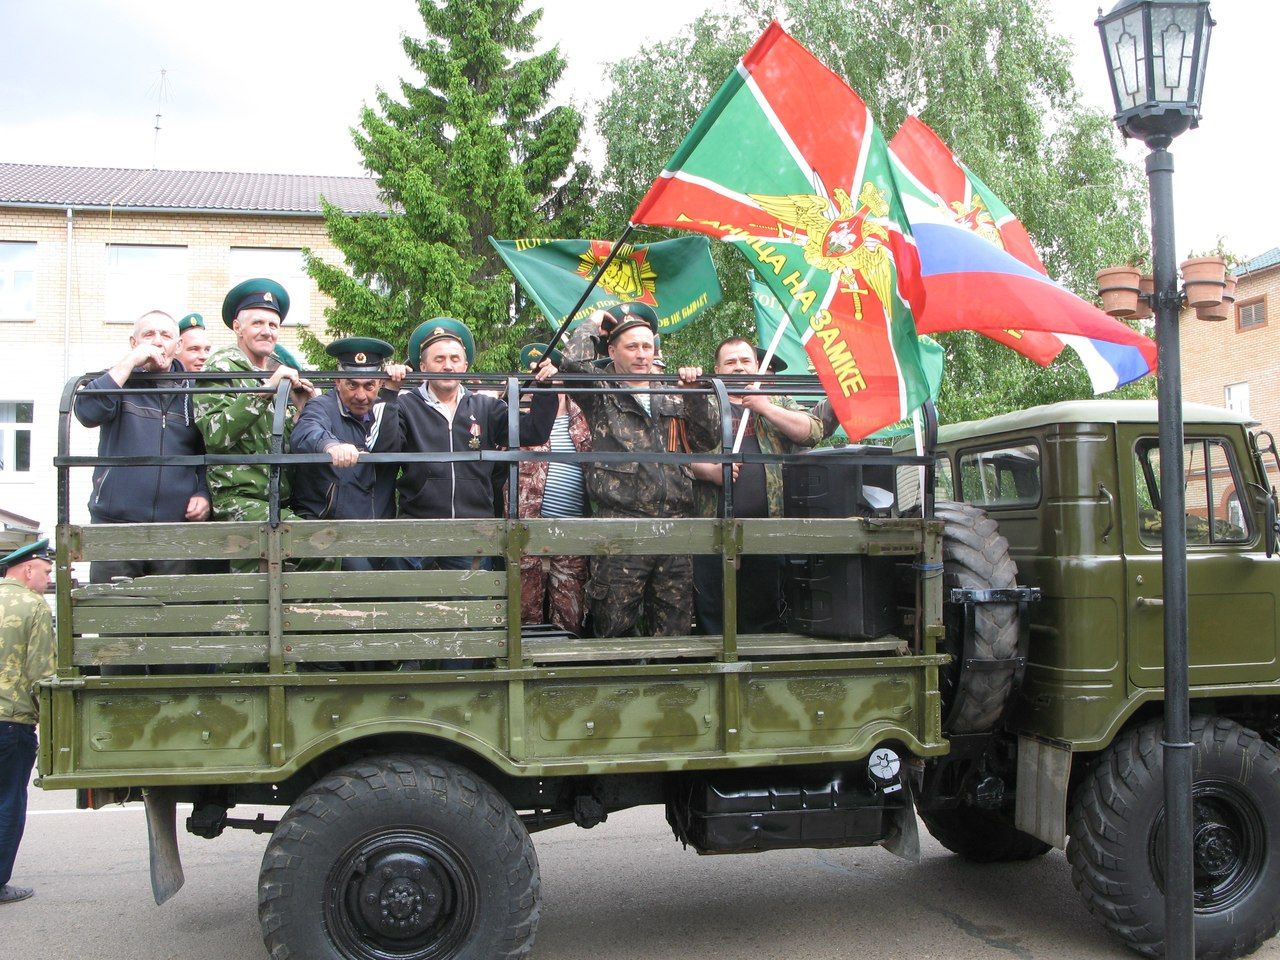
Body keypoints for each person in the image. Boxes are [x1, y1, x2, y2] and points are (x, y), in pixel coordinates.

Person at [556, 302, 718, 637]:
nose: (642, 354)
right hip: (621, 528)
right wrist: (592, 322)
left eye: (647, 346)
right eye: (631, 346)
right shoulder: (600, 392)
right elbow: (571, 364)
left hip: (675, 525)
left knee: (674, 626)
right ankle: (617, 690)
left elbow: (707, 440)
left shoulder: (673, 390)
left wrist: (696, 396)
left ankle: (668, 689)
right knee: (614, 623)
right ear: (612, 350)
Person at [386, 318, 559, 571]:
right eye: (439, 359)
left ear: (465, 365)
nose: (448, 366)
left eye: (455, 359)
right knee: (411, 605)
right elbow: (385, 447)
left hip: (474, 531)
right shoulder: (404, 405)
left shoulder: (486, 407)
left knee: (470, 608)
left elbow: (534, 432)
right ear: (422, 365)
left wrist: (545, 386)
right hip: (418, 529)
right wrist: (389, 392)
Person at [690, 336, 823, 634]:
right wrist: (707, 471)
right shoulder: (701, 401)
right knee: (712, 619)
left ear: (757, 365)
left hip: (766, 532)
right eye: (731, 362)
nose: (739, 367)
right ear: (717, 368)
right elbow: (672, 454)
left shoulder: (777, 401)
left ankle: (757, 678)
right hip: (711, 532)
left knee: (762, 619)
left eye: (745, 361)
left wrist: (765, 408)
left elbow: (812, 431)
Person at [194, 279, 324, 574]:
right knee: (256, 590)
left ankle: (307, 618)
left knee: (325, 550)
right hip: (238, 499)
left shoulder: (281, 372)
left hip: (280, 500)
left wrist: (305, 408)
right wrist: (266, 391)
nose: (267, 331)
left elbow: (293, 446)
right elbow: (215, 436)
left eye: (273, 324)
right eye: (257, 323)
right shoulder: (221, 368)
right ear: (238, 327)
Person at [74, 309, 212, 585]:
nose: (157, 341)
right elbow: (87, 412)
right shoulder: (115, 381)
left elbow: (208, 451)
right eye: (149, 334)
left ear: (177, 345)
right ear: (134, 342)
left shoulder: (197, 391)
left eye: (166, 335)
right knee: (114, 620)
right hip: (116, 528)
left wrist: (203, 492)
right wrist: (131, 363)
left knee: (174, 622)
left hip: (176, 530)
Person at [291, 337, 408, 569]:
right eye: (352, 385)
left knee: (402, 570)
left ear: (379, 383)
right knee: (359, 574)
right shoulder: (322, 407)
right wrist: (331, 445)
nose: (361, 395)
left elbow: (389, 445)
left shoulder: (388, 409)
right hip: (333, 532)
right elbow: (306, 431)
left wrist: (391, 393)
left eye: (369, 386)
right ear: (337, 381)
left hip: (379, 531)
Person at [514, 343, 591, 632]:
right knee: (524, 612)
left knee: (570, 614)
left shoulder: (584, 410)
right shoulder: (513, 406)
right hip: (526, 529)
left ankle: (564, 672)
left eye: (549, 368)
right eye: (536, 371)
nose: (544, 376)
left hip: (572, 528)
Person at [0, 539, 54, 906]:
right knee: (7, 802)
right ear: (27, 569)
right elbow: (41, 674)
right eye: (47, 572)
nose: (49, 580)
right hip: (9, 723)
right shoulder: (33, 606)